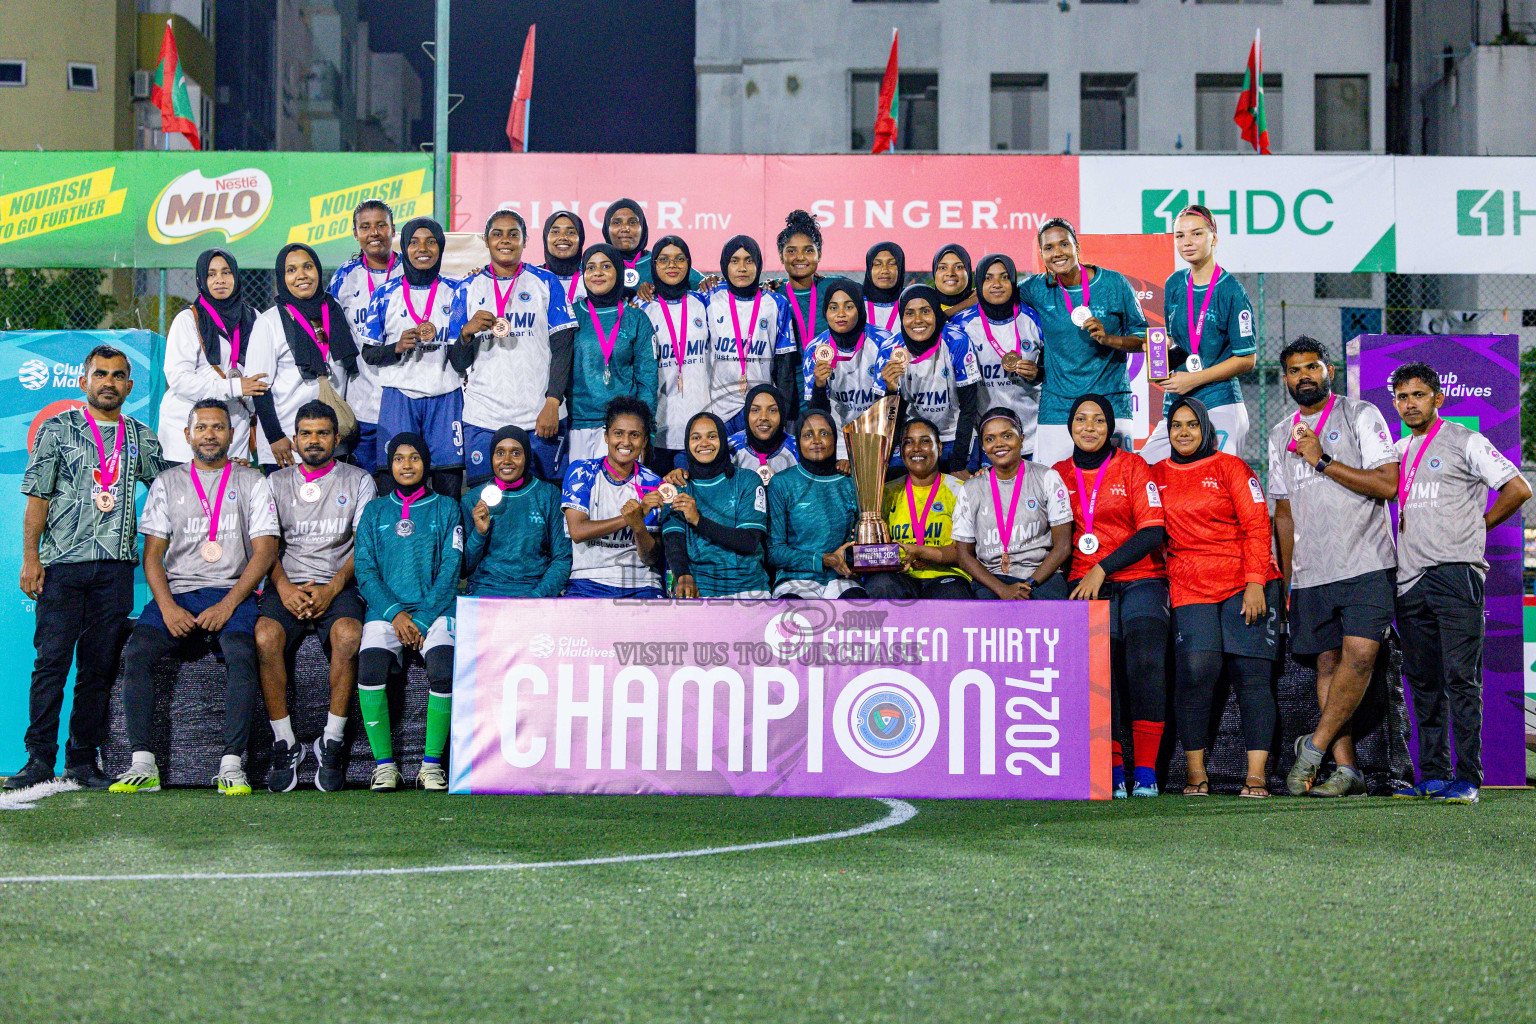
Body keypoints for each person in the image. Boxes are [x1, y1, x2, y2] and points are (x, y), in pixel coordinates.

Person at [8, 346, 169, 791]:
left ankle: (83, 759)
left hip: (115, 570)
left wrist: (221, 469)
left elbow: (171, 483)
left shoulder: (140, 436)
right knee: (51, 664)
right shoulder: (57, 430)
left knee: (97, 669)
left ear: (129, 387)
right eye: (101, 374)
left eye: (118, 376)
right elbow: (38, 497)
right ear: (83, 382)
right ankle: (39, 757)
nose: (109, 382)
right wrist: (30, 557)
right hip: (62, 566)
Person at [109, 399, 280, 796]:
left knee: (241, 653)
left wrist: (230, 603)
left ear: (231, 435)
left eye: (218, 427)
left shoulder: (252, 481)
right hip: (180, 593)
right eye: (201, 427)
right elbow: (152, 556)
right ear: (187, 435)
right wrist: (167, 607)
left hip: (231, 593)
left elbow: (266, 550)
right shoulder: (168, 483)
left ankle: (232, 764)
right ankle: (142, 762)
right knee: (137, 652)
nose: (209, 434)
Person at [1390, 362, 1529, 804]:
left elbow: (1518, 487)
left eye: (1418, 395)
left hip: (1456, 573)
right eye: (1402, 397)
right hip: (1409, 580)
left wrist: (1479, 526)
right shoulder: (1398, 450)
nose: (1410, 404)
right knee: (1424, 681)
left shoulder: (1464, 440)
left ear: (1437, 398)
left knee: (1461, 679)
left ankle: (1468, 778)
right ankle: (1432, 775)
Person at [1268, 338, 1399, 799]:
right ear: (1284, 378)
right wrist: (1286, 578)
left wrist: (1321, 459)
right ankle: (1346, 771)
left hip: (1366, 561)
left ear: (1329, 371)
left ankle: (1314, 747)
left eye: (1312, 367)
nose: (1303, 376)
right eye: (1294, 370)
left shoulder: (1360, 414)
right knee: (1326, 665)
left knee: (1361, 657)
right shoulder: (1278, 432)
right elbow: (1282, 512)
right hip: (1310, 572)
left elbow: (1388, 483)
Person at [1155, 397, 1280, 798]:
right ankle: (1196, 775)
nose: (1185, 432)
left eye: (1192, 424)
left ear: (1206, 428)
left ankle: (1256, 776)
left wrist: (1256, 581)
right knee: (1195, 672)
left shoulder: (1231, 467)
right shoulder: (1156, 475)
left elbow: (1258, 525)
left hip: (1246, 581)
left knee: (1252, 676)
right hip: (1189, 585)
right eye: (1177, 425)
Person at [254, 401, 376, 793]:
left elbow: (364, 545)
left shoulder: (359, 480)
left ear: (336, 439)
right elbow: (265, 545)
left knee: (348, 635)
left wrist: (333, 588)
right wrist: (286, 588)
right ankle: (285, 743)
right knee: (264, 637)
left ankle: (333, 741)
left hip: (337, 583)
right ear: (294, 438)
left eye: (322, 433)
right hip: (287, 583)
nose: (314, 440)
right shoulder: (273, 482)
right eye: (306, 433)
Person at [1057, 394, 1168, 799]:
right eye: (1081, 420)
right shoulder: (1057, 474)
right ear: (1070, 427)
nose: (1089, 427)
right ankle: (1114, 768)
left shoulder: (1133, 466)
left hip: (1140, 578)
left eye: (1099, 421)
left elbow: (1153, 532)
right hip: (1083, 584)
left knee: (1146, 662)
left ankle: (1147, 771)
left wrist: (1102, 567)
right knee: (1100, 671)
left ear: (1111, 428)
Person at [353, 432, 463, 792]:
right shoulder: (374, 511)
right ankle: (385, 766)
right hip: (387, 612)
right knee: (369, 669)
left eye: (414, 457)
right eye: (399, 458)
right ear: (390, 465)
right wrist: (396, 614)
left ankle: (430, 766)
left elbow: (451, 567)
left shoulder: (447, 507)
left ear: (426, 464)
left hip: (435, 611)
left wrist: (420, 619)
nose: (406, 464)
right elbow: (365, 570)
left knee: (444, 669)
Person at [448, 208, 575, 487]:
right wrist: (467, 333)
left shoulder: (546, 282)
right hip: (484, 417)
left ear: (525, 241)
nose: (505, 240)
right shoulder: (466, 289)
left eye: (513, 234)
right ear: (485, 240)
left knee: (545, 502)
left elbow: (563, 349)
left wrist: (553, 402)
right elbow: (457, 363)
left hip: (539, 416)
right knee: (485, 503)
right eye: (497, 234)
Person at [1021, 218, 1148, 467]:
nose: (1057, 253)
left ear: (1077, 247)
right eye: (1049, 248)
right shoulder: (1036, 288)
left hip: (1110, 404)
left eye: (1064, 244)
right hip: (1057, 406)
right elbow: (994, 291)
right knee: (1054, 488)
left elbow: (1144, 339)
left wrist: (1109, 339)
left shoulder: (1114, 284)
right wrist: (944, 312)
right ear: (1042, 254)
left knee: (1113, 488)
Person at [1141, 205, 1257, 464]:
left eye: (1196, 234)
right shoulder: (1174, 283)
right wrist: (1159, 347)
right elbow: (1178, 340)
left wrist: (1193, 380)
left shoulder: (1231, 291)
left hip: (1219, 403)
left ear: (1214, 238)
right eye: (1179, 236)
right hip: (1178, 405)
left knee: (1218, 485)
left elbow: (1247, 359)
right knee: (1145, 468)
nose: (1187, 242)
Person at [362, 217, 464, 497]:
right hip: (399, 398)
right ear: (404, 247)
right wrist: (395, 347)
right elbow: (369, 353)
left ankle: (448, 539)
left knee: (448, 484)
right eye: (415, 242)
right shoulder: (385, 294)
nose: (423, 248)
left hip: (445, 396)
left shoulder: (458, 291)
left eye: (431, 241)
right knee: (395, 482)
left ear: (441, 248)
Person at [246, 243, 360, 473]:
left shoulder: (334, 311)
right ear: (281, 276)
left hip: (333, 444)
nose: (301, 275)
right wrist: (275, 437)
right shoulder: (269, 322)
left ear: (318, 270)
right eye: (291, 270)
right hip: (288, 445)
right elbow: (259, 387)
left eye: (308, 267)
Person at [158, 247, 267, 463]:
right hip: (187, 434)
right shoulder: (188, 320)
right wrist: (234, 387)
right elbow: (179, 378)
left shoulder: (255, 318)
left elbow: (263, 373)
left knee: (230, 494)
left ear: (235, 276)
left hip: (234, 430)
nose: (220, 280)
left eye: (226, 272)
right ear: (201, 279)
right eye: (211, 274)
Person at [953, 408, 1072, 601]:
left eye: (1007, 436)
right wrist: (1002, 590)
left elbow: (1063, 546)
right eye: (990, 439)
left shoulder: (1047, 478)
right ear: (983, 446)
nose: (999, 444)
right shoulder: (970, 488)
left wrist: (1030, 584)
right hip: (991, 579)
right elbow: (964, 556)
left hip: (1042, 576)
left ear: (1022, 438)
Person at [562, 396, 666, 598]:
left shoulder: (653, 484)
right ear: (606, 436)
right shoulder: (582, 472)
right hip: (588, 580)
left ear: (644, 441)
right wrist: (631, 517)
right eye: (618, 433)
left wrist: (638, 525)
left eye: (634, 435)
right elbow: (578, 531)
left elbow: (650, 558)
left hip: (642, 583)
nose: (626, 442)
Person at [662, 412, 771, 599]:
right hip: (701, 590)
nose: (704, 443)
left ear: (722, 440)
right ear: (687, 444)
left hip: (749, 589)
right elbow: (674, 540)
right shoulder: (678, 487)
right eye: (696, 437)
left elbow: (749, 541)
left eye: (711, 436)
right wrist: (683, 576)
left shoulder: (747, 480)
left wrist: (698, 520)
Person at [566, 244, 658, 463]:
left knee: (623, 497)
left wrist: (646, 433)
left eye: (606, 266)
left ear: (618, 271)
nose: (598, 273)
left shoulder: (636, 318)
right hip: (578, 425)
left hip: (623, 429)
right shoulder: (571, 315)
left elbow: (647, 381)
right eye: (590, 267)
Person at [329, 199, 402, 474]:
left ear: (393, 230)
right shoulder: (343, 278)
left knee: (400, 481)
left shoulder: (411, 272)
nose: (374, 232)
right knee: (364, 482)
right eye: (366, 226)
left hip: (402, 400)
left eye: (381, 225)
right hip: (360, 402)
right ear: (355, 233)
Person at [864, 417, 973, 600]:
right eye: (909, 442)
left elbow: (964, 552)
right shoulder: (885, 493)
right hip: (900, 575)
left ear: (938, 448)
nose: (916, 448)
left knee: (952, 594)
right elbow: (877, 546)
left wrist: (920, 552)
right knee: (880, 585)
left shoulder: (960, 490)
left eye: (924, 441)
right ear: (901, 450)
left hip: (946, 575)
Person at [950, 254, 1043, 465]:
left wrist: (1039, 372)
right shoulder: (961, 325)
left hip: (1031, 434)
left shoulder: (1033, 318)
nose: (997, 284)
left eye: (1004, 277)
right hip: (985, 440)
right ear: (978, 283)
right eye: (988, 278)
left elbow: (1053, 370)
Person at [462, 425, 571, 598]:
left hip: (532, 592)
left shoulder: (548, 495)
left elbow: (563, 558)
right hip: (484, 591)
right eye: (500, 453)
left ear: (527, 457)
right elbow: (464, 568)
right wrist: (479, 533)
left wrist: (536, 596)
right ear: (491, 457)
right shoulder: (473, 500)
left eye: (515, 453)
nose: (506, 460)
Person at [767, 411, 865, 599]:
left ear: (834, 439)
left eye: (824, 433)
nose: (816, 440)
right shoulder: (782, 483)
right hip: (795, 580)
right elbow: (774, 552)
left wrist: (852, 561)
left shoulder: (851, 481)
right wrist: (823, 560)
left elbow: (859, 539)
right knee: (793, 613)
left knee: (856, 607)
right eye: (808, 435)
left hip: (841, 579)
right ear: (798, 441)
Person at [706, 235, 798, 431]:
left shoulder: (776, 304)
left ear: (758, 264)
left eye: (749, 260)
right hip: (718, 409)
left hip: (760, 409)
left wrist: (783, 414)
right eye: (734, 261)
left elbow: (785, 368)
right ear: (724, 265)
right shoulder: (709, 299)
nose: (742, 268)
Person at [803, 278, 898, 463]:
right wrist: (820, 386)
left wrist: (892, 389)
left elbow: (890, 408)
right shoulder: (815, 349)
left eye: (848, 307)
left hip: (878, 438)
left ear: (860, 309)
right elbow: (816, 414)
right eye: (833, 307)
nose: (840, 314)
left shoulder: (884, 342)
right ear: (825, 311)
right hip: (836, 444)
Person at [889, 284, 981, 475]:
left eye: (925, 311)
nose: (918, 320)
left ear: (937, 313)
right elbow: (890, 416)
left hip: (955, 437)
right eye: (910, 313)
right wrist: (890, 392)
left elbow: (969, 407)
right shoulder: (890, 348)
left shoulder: (957, 341)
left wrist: (958, 464)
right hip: (914, 440)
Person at [644, 235, 713, 473]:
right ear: (653, 265)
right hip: (659, 426)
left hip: (699, 424)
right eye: (664, 260)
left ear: (689, 263)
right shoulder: (642, 307)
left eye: (679, 259)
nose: (672, 265)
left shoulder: (704, 301)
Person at [727, 384, 799, 482]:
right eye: (755, 410)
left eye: (772, 410)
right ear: (747, 414)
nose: (764, 417)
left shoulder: (797, 449)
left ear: (782, 415)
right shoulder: (730, 449)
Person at [778, 209, 827, 349]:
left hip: (827, 370)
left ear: (820, 255)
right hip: (785, 371)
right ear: (781, 256)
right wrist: (711, 282)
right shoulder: (769, 293)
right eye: (791, 251)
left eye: (808, 250)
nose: (800, 257)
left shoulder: (834, 289)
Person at [540, 209, 587, 307]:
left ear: (581, 238)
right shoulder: (532, 277)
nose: (563, 237)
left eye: (571, 232)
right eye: (555, 231)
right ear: (545, 238)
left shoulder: (592, 278)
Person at [862, 241, 906, 335]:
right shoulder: (857, 304)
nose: (884, 270)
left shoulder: (910, 303)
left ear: (900, 267)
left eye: (891, 264)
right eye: (877, 264)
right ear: (869, 268)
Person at [931, 244, 977, 316]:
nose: (950, 273)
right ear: (934, 272)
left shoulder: (985, 305)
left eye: (958, 267)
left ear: (968, 271)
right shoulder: (924, 305)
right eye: (943, 268)